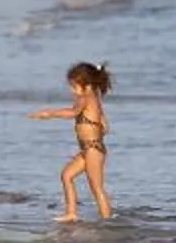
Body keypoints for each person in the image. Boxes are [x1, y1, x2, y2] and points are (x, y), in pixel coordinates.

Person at [32, 62, 114, 221]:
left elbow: (72, 113)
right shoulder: (94, 98)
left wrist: (50, 113)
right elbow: (105, 125)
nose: (72, 91)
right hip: (89, 149)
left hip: (93, 149)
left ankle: (108, 221)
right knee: (67, 175)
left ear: (87, 85)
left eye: (74, 86)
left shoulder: (85, 98)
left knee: (96, 188)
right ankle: (71, 213)